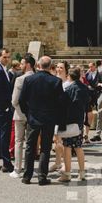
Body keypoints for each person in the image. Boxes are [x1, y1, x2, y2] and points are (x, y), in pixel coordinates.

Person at [19, 56, 66, 185]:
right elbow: (60, 102)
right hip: (49, 118)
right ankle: (42, 176)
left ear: (38, 65)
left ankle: (27, 176)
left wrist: (28, 114)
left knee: (30, 146)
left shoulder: (29, 79)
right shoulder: (56, 81)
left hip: (33, 117)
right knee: (45, 147)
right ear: (50, 67)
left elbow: (22, 100)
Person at [59, 67, 89, 182]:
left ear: (69, 76)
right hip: (79, 121)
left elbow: (63, 104)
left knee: (67, 147)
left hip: (69, 120)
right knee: (78, 147)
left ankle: (67, 173)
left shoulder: (68, 88)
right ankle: (81, 172)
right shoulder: (84, 88)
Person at [10, 54, 36, 179]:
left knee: (19, 142)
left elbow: (14, 100)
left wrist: (22, 111)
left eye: (22, 63)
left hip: (20, 114)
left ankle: (17, 168)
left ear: (28, 64)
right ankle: (28, 168)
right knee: (31, 143)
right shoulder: (37, 78)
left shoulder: (20, 79)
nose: (20, 65)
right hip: (34, 115)